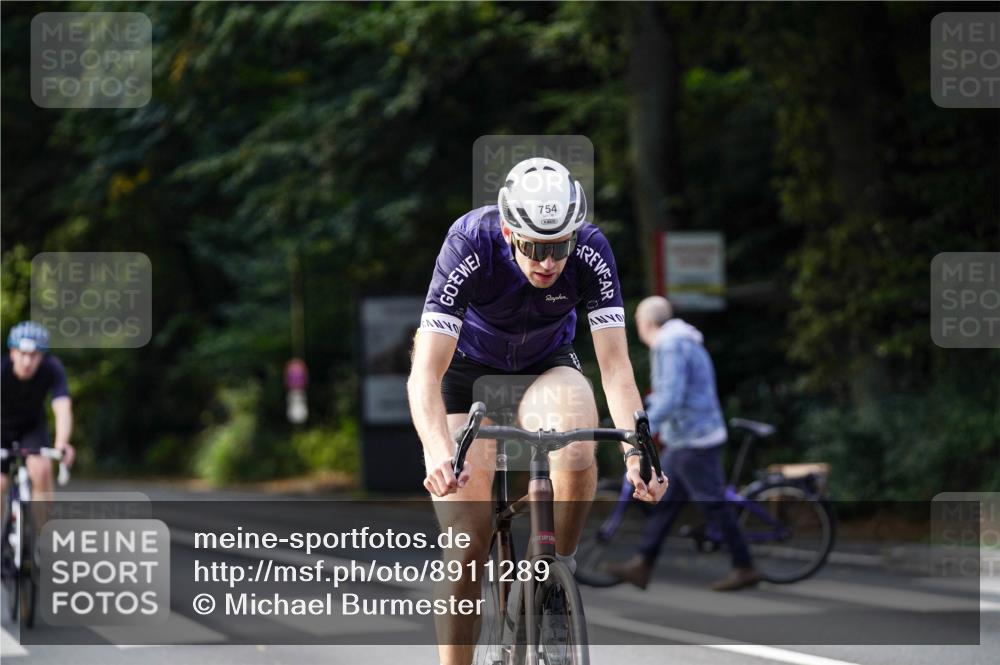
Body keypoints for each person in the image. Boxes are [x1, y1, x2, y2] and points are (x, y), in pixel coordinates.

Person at [408, 157, 667, 665]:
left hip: (546, 361)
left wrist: (641, 454)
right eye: (533, 247)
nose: (548, 262)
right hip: (465, 371)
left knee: (576, 439)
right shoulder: (470, 242)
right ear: (509, 231)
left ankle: (553, 579)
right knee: (467, 541)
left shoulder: (591, 249)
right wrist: (438, 449)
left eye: (558, 247)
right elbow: (426, 373)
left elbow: (615, 368)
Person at [604, 296, 760, 592]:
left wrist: (640, 430)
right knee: (667, 503)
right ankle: (642, 565)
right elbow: (668, 395)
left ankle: (745, 566)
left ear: (646, 323)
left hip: (694, 438)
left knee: (713, 504)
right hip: (692, 434)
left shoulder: (669, 344)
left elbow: (671, 396)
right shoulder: (684, 339)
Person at [1, 322, 76, 513]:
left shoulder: (52, 368)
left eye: (33, 355)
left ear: (42, 356)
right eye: (22, 354)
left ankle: (43, 535)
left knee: (42, 470)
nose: (27, 362)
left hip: (31, 427)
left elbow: (62, 407)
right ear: (12, 352)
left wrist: (62, 443)